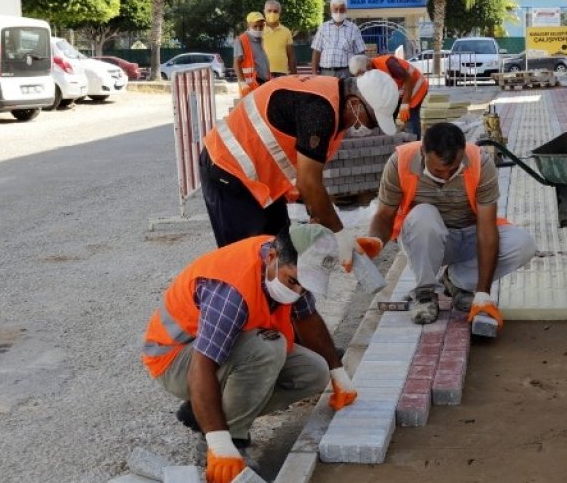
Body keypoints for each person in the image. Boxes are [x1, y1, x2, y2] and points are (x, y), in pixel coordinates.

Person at [141, 223, 359, 483]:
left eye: (305, 287)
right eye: (293, 282)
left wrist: (338, 374)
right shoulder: (231, 292)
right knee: (268, 348)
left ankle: (208, 412)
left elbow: (308, 318)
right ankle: (225, 443)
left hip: (225, 349)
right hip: (176, 359)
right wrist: (220, 443)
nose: (297, 293)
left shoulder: (290, 263)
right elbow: (202, 366)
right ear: (272, 258)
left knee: (314, 372)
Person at [198, 71, 400, 257]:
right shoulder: (320, 110)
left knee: (279, 252)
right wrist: (340, 236)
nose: (367, 128)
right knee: (248, 255)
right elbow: (309, 183)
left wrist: (315, 213)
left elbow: (307, 175)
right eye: (371, 121)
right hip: (227, 168)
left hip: (257, 179)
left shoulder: (333, 98)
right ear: (354, 104)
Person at [368, 122, 537, 326]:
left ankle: (455, 281)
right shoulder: (400, 162)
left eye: (453, 169)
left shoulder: (480, 162)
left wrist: (483, 294)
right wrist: (375, 241)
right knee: (423, 214)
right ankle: (425, 294)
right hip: (426, 241)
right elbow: (384, 215)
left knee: (523, 245)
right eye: (438, 171)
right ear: (423, 153)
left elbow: (486, 229)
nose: (446, 176)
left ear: (463, 152)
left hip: (470, 235)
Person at [348, 53, 428, 138]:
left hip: (416, 87)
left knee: (409, 116)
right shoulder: (370, 74)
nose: (361, 77)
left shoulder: (389, 63)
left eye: (361, 73)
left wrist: (405, 103)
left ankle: (414, 142)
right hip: (400, 91)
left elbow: (408, 78)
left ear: (368, 66)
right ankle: (393, 138)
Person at [311, 0, 365, 78]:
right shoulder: (323, 28)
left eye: (342, 9)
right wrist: (314, 73)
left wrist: (359, 73)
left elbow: (361, 53)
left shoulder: (353, 28)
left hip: (346, 73)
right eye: (336, 9)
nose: (339, 12)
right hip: (325, 73)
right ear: (331, 10)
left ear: (346, 10)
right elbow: (316, 51)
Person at [233, 12, 271, 96]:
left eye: (261, 26)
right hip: (251, 85)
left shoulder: (261, 40)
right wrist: (242, 83)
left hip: (264, 83)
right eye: (255, 26)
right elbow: (236, 63)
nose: (258, 29)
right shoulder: (241, 40)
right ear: (248, 25)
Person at [261, 0, 297, 77]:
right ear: (264, 11)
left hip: (282, 73)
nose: (272, 13)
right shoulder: (258, 31)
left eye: (275, 11)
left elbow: (291, 56)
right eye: (269, 11)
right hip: (262, 73)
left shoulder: (286, 31)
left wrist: (294, 76)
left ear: (280, 12)